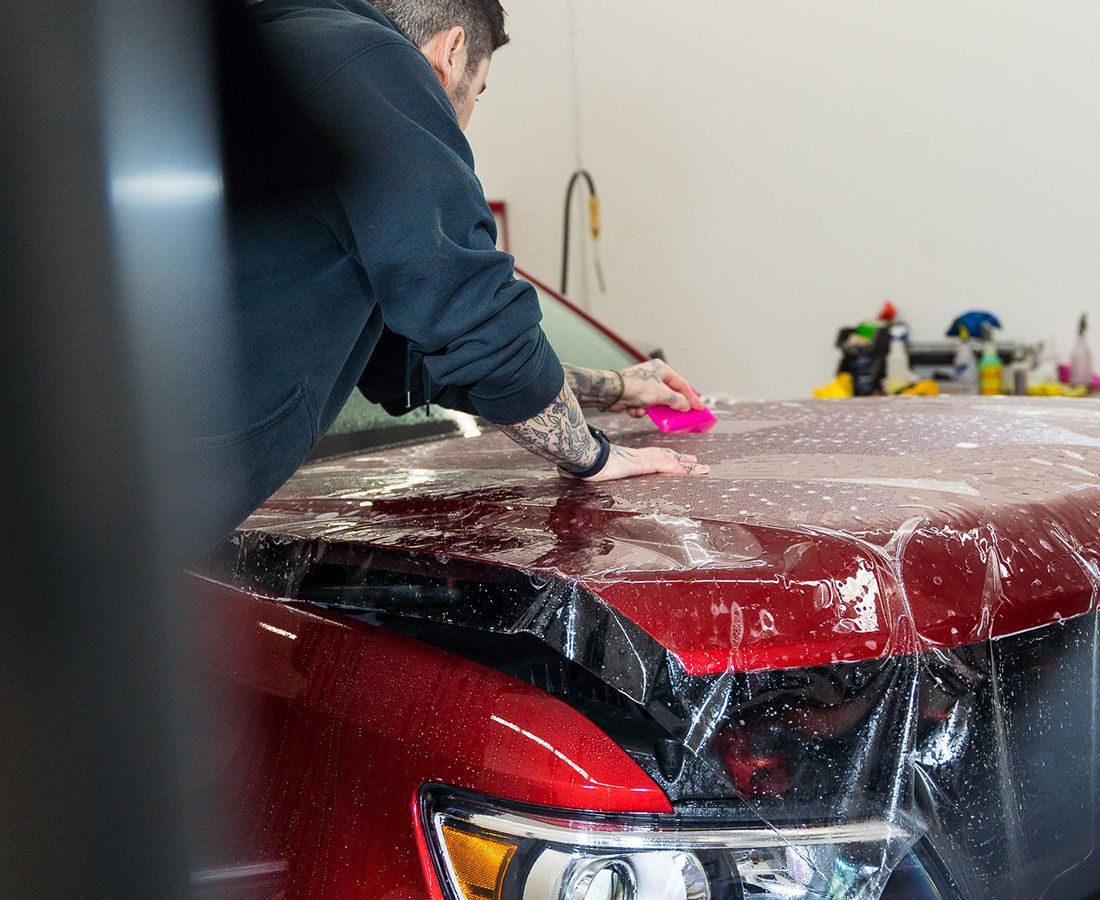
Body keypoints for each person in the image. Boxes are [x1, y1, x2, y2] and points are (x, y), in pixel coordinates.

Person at [214, 0, 708, 537]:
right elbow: (474, 314)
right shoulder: (372, 59)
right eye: (478, 93)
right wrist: (595, 457)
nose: (464, 122)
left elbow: (416, 361)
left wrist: (613, 387)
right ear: (450, 52)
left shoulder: (296, 59)